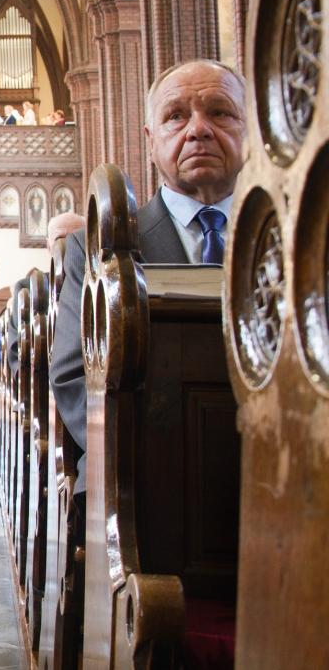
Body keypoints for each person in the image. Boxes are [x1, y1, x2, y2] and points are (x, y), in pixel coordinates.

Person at [50, 59, 246, 491]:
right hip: (141, 471)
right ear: (150, 140)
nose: (198, 130)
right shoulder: (97, 248)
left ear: (251, 131)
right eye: (176, 116)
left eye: (220, 112)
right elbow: (73, 377)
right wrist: (165, 451)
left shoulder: (294, 237)